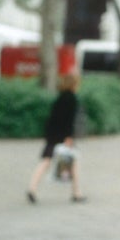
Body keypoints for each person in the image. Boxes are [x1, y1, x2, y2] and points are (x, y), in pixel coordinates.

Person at [27, 73, 86, 203]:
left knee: (45, 161)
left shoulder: (58, 99)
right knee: (74, 162)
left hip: (52, 136)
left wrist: (49, 135)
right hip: (65, 137)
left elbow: (51, 120)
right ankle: (76, 193)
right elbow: (69, 121)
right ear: (74, 85)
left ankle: (32, 188)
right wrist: (69, 137)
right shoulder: (72, 99)